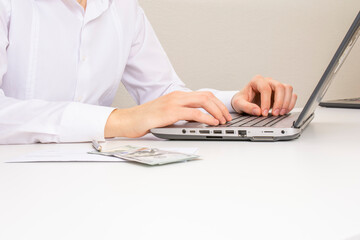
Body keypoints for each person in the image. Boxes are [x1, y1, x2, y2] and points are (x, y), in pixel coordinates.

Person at [0, 0, 297, 144]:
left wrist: (234, 102)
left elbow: (163, 94)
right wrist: (121, 119)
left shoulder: (123, 7)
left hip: (92, 177)